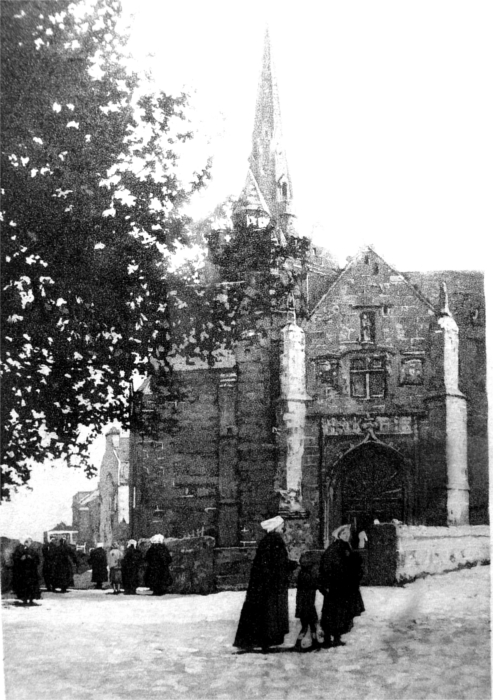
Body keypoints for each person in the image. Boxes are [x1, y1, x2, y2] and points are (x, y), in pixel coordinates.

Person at [233, 515, 298, 652]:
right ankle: (268, 639)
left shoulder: (267, 540)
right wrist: (292, 565)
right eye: (281, 525)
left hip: (263, 583)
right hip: (271, 584)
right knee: (270, 611)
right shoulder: (275, 540)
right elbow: (278, 562)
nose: (283, 528)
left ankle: (256, 640)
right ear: (275, 528)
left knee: (260, 611)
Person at [319, 524, 365, 648]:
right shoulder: (334, 548)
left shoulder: (346, 547)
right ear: (338, 536)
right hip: (336, 587)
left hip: (344, 587)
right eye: (344, 533)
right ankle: (328, 638)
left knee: (342, 613)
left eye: (348, 533)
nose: (346, 535)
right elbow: (329, 567)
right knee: (333, 613)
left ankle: (337, 637)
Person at [294, 552, 320, 652]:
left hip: (303, 606)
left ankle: (312, 642)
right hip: (308, 606)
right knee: (310, 626)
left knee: (306, 626)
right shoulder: (308, 576)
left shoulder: (302, 574)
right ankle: (310, 642)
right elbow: (315, 584)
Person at [12, 537, 41, 605]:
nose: (28, 544)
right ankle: (24, 599)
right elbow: (15, 559)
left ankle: (31, 599)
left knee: (31, 586)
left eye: (29, 542)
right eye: (27, 542)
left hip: (31, 572)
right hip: (23, 572)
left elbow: (37, 561)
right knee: (24, 586)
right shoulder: (19, 550)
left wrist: (32, 558)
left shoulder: (33, 551)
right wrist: (21, 559)